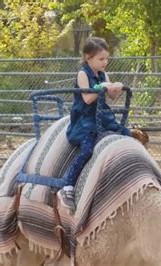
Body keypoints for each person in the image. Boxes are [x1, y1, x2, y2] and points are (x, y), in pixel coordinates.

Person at [62, 36, 131, 208]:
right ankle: (68, 185)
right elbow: (87, 98)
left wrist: (117, 87)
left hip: (103, 116)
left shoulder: (103, 74)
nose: (105, 62)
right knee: (87, 149)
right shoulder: (83, 74)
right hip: (86, 119)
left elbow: (113, 97)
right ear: (88, 57)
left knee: (127, 135)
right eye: (101, 59)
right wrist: (103, 87)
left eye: (107, 58)